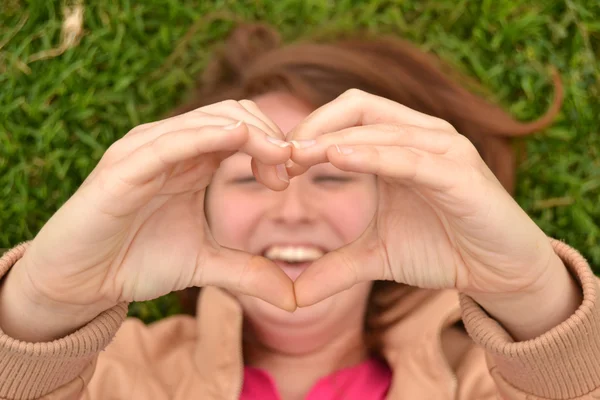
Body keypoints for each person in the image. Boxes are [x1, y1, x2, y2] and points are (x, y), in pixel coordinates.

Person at [0, 23, 598, 400]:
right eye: (248, 177)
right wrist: (43, 306)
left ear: (393, 201)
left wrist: (533, 295)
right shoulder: (114, 375)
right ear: (198, 209)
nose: (291, 210)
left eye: (334, 175)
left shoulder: (482, 384)